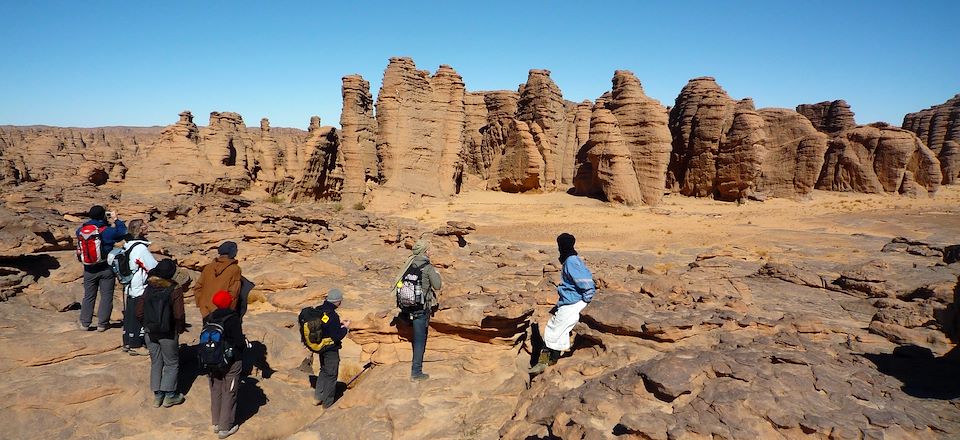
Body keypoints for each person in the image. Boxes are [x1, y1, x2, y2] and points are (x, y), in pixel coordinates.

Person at [529, 233, 596, 375]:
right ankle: (553, 361)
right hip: (572, 301)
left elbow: (586, 282)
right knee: (560, 332)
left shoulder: (572, 261)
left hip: (573, 303)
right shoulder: (571, 260)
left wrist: (585, 300)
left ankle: (543, 363)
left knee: (551, 331)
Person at [136, 259, 187, 408]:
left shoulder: (149, 287)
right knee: (171, 363)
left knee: (156, 361)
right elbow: (179, 314)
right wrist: (180, 328)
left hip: (150, 331)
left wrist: (146, 325)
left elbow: (139, 311)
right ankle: (170, 395)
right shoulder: (174, 289)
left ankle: (158, 396)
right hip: (168, 332)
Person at [392, 240, 441, 381]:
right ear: (425, 252)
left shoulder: (408, 264)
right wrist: (436, 274)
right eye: (429, 250)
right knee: (420, 340)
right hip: (420, 309)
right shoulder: (427, 267)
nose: (431, 252)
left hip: (406, 308)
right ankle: (416, 372)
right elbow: (437, 286)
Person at [76, 205, 127, 332]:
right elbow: (122, 232)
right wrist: (116, 220)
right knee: (106, 296)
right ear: (104, 215)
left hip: (89, 268)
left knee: (88, 296)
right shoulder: (107, 231)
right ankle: (102, 324)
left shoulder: (81, 230)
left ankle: (85, 323)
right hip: (106, 268)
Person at [206, 290, 244, 438]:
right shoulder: (232, 318)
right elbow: (238, 341)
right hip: (231, 360)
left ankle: (216, 422)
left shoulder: (210, 317)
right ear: (228, 302)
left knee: (216, 389)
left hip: (213, 358)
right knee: (230, 391)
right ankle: (225, 427)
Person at [120, 219, 157, 356]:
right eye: (144, 225)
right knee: (139, 314)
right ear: (139, 229)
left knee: (130, 313)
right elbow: (151, 266)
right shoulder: (140, 248)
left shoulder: (127, 245)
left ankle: (127, 341)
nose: (147, 226)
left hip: (129, 285)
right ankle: (136, 344)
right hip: (139, 286)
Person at [308, 288, 350, 408]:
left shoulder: (319, 310)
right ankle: (328, 403)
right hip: (330, 349)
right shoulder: (333, 315)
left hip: (320, 346)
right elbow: (337, 336)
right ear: (337, 302)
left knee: (323, 370)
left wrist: (338, 324)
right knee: (331, 374)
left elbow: (325, 326)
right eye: (340, 301)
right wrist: (345, 328)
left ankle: (317, 397)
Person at [194, 241, 242, 321]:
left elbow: (198, 287)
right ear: (233, 252)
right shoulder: (234, 269)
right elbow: (234, 293)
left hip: (206, 311)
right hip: (222, 311)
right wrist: (231, 311)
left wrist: (202, 304)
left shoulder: (208, 267)